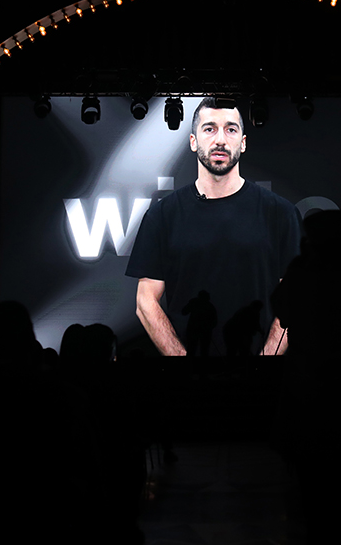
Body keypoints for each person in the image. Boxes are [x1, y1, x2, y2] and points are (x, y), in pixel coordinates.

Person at [126, 96, 301, 355]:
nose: (220, 140)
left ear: (243, 143)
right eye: (209, 129)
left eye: (231, 129)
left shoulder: (280, 213)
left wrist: (266, 361)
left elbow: (295, 297)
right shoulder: (162, 215)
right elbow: (145, 301)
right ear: (193, 141)